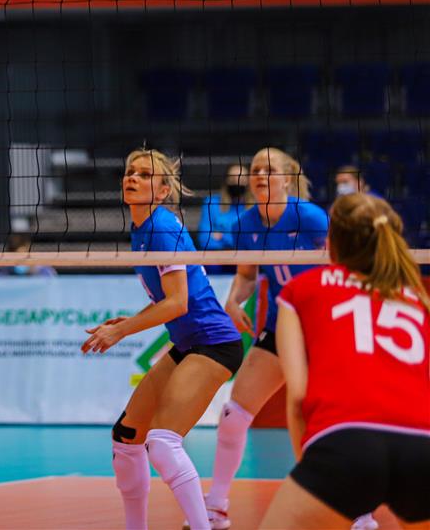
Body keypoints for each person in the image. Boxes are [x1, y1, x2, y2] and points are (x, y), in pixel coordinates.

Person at [83, 150, 244, 530]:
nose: (132, 178)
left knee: (162, 441)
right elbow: (167, 299)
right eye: (130, 172)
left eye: (144, 174)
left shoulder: (161, 227)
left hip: (214, 344)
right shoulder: (142, 228)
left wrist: (121, 331)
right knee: (126, 438)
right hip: (188, 344)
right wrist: (131, 320)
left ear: (162, 190)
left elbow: (178, 303)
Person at [260, 194, 430, 529]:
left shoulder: (301, 289)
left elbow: (298, 397)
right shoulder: (417, 301)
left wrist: (313, 470)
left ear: (331, 243)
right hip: (421, 447)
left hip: (345, 443)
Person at [203, 147, 328, 530]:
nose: (259, 175)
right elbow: (246, 274)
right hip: (279, 327)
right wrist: (233, 300)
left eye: (268, 169)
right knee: (233, 414)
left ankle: (358, 512)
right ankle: (215, 505)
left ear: (287, 178)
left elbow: (340, 269)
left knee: (332, 419)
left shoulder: (310, 217)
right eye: (255, 169)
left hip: (322, 329)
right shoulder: (244, 222)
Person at [197, 164, 251, 251]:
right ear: (226, 181)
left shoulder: (254, 207)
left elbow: (252, 242)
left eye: (241, 179)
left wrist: (222, 236)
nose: (237, 183)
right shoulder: (211, 203)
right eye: (232, 179)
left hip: (245, 258)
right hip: (216, 257)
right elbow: (204, 240)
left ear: (248, 183)